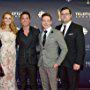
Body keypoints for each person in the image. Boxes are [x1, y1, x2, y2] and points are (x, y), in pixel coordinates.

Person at [55, 7, 85, 90]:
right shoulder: (57, 28)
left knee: (73, 86)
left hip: (73, 64)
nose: (64, 16)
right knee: (63, 86)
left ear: (70, 15)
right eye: (62, 14)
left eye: (66, 14)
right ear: (60, 16)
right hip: (60, 64)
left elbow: (81, 47)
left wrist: (78, 62)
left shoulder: (77, 28)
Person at [38, 13, 68, 90]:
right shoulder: (40, 34)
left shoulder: (57, 33)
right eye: (44, 20)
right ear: (41, 22)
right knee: (44, 85)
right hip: (41, 64)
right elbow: (41, 48)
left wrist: (58, 63)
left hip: (52, 65)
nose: (46, 22)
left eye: (48, 21)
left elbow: (64, 49)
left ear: (51, 22)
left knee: (53, 85)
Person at [16, 11, 39, 90]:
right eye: (23, 18)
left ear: (29, 20)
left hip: (32, 62)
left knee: (33, 84)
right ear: (20, 20)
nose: (25, 20)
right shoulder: (17, 33)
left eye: (26, 18)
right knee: (22, 85)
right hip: (21, 62)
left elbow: (40, 46)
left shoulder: (36, 31)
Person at [0, 12, 18, 90]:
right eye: (6, 18)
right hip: (3, 56)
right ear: (3, 19)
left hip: (12, 56)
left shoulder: (15, 30)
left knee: (11, 74)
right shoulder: (0, 30)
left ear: (12, 20)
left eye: (9, 18)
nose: (7, 20)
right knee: (4, 75)